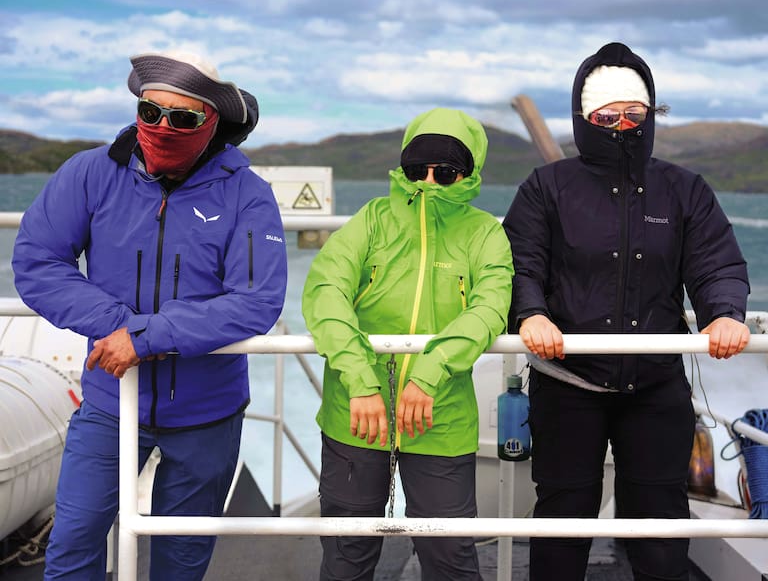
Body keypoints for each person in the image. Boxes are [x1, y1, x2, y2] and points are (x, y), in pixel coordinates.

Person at [12, 50, 288, 580]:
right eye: (150, 112)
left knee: (180, 563)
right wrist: (118, 323)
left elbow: (256, 299)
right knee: (71, 548)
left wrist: (146, 335)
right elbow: (37, 261)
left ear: (212, 126)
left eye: (182, 118)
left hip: (208, 412)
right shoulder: (91, 173)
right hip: (109, 400)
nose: (163, 127)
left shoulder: (248, 194)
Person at [503, 41, 751, 581]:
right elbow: (520, 263)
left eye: (632, 114)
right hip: (567, 381)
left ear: (650, 113)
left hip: (655, 386)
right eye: (606, 115)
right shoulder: (547, 188)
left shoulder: (684, 190)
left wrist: (725, 313)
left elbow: (715, 264)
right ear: (585, 118)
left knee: (660, 524)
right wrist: (530, 314)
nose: (620, 124)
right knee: (563, 520)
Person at [302, 107, 513, 580]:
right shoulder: (372, 220)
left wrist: (431, 372)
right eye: (418, 170)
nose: (430, 182)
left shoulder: (485, 234)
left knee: (450, 559)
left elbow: (490, 309)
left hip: (440, 417)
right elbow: (324, 292)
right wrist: (360, 379)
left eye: (447, 171)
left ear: (470, 172)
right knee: (346, 555)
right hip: (355, 414)